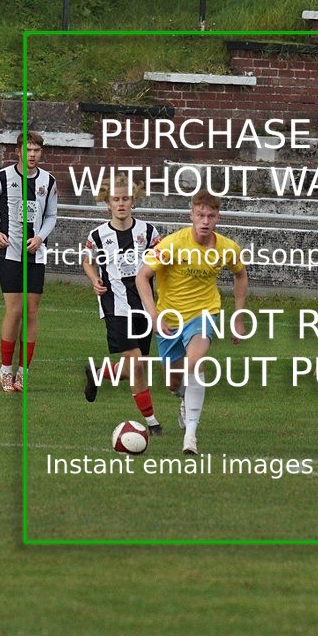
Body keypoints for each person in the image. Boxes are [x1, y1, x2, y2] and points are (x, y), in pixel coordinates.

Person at [135, 189, 248, 455]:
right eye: (200, 215)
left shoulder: (227, 248)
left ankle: (191, 436)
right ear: (191, 215)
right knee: (173, 383)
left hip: (204, 313)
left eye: (211, 215)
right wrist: (154, 315)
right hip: (170, 318)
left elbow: (241, 276)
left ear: (218, 217)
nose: (205, 220)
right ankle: (184, 397)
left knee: (196, 361)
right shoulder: (172, 244)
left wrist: (239, 316)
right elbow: (142, 277)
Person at [0, 130, 57, 393]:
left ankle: (23, 372)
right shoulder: (1, 178)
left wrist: (41, 238)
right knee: (15, 310)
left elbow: (51, 216)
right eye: (28, 149)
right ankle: (5, 369)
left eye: (37, 150)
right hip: (9, 252)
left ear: (41, 153)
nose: (32, 154)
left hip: (35, 254)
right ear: (18, 151)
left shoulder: (49, 181)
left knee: (32, 311)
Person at [83, 176, 162, 435]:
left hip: (144, 306)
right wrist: (94, 278)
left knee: (133, 367)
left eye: (125, 199)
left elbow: (161, 261)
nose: (120, 204)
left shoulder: (149, 232)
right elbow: (87, 260)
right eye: (115, 199)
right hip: (114, 306)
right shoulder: (97, 235)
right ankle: (151, 422)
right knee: (137, 364)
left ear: (133, 201)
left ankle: (100, 373)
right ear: (107, 203)